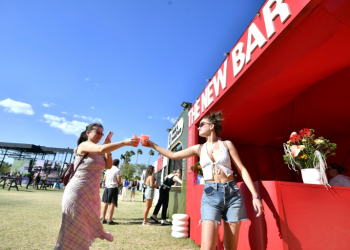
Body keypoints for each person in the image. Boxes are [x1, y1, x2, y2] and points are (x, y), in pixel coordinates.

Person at [143, 111, 263, 249]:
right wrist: (153, 145)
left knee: (230, 247)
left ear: (211, 126)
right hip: (211, 195)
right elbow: (173, 155)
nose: (198, 127)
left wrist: (255, 196)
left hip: (233, 194)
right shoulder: (199, 148)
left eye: (202, 124)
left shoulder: (227, 145)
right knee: (207, 247)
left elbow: (242, 169)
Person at [55, 123, 139, 249]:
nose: (100, 135)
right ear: (88, 133)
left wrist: (107, 147)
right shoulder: (84, 145)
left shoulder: (100, 149)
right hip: (77, 193)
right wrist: (126, 142)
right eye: (97, 132)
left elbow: (108, 165)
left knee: (85, 229)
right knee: (77, 230)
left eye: (102, 133)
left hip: (91, 195)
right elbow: (100, 150)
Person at [101, 159, 121, 225]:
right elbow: (119, 180)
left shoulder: (108, 169)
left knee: (105, 203)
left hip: (107, 187)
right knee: (112, 203)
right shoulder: (117, 170)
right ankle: (110, 220)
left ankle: (103, 219)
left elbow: (104, 178)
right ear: (118, 164)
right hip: (113, 187)